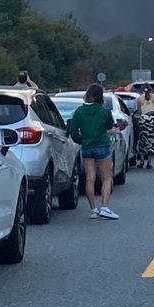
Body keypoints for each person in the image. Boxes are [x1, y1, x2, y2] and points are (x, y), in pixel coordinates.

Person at [67, 84, 119, 219]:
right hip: (102, 145)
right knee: (106, 178)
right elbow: (109, 126)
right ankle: (105, 207)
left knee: (90, 178)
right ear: (100, 96)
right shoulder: (104, 111)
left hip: (87, 147)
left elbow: (73, 130)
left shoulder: (79, 111)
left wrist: (81, 140)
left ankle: (93, 209)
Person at [135, 87, 154, 170]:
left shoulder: (139, 98)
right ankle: (149, 162)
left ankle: (142, 161)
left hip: (143, 119)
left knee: (142, 140)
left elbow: (139, 111)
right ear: (151, 90)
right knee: (152, 140)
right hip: (153, 119)